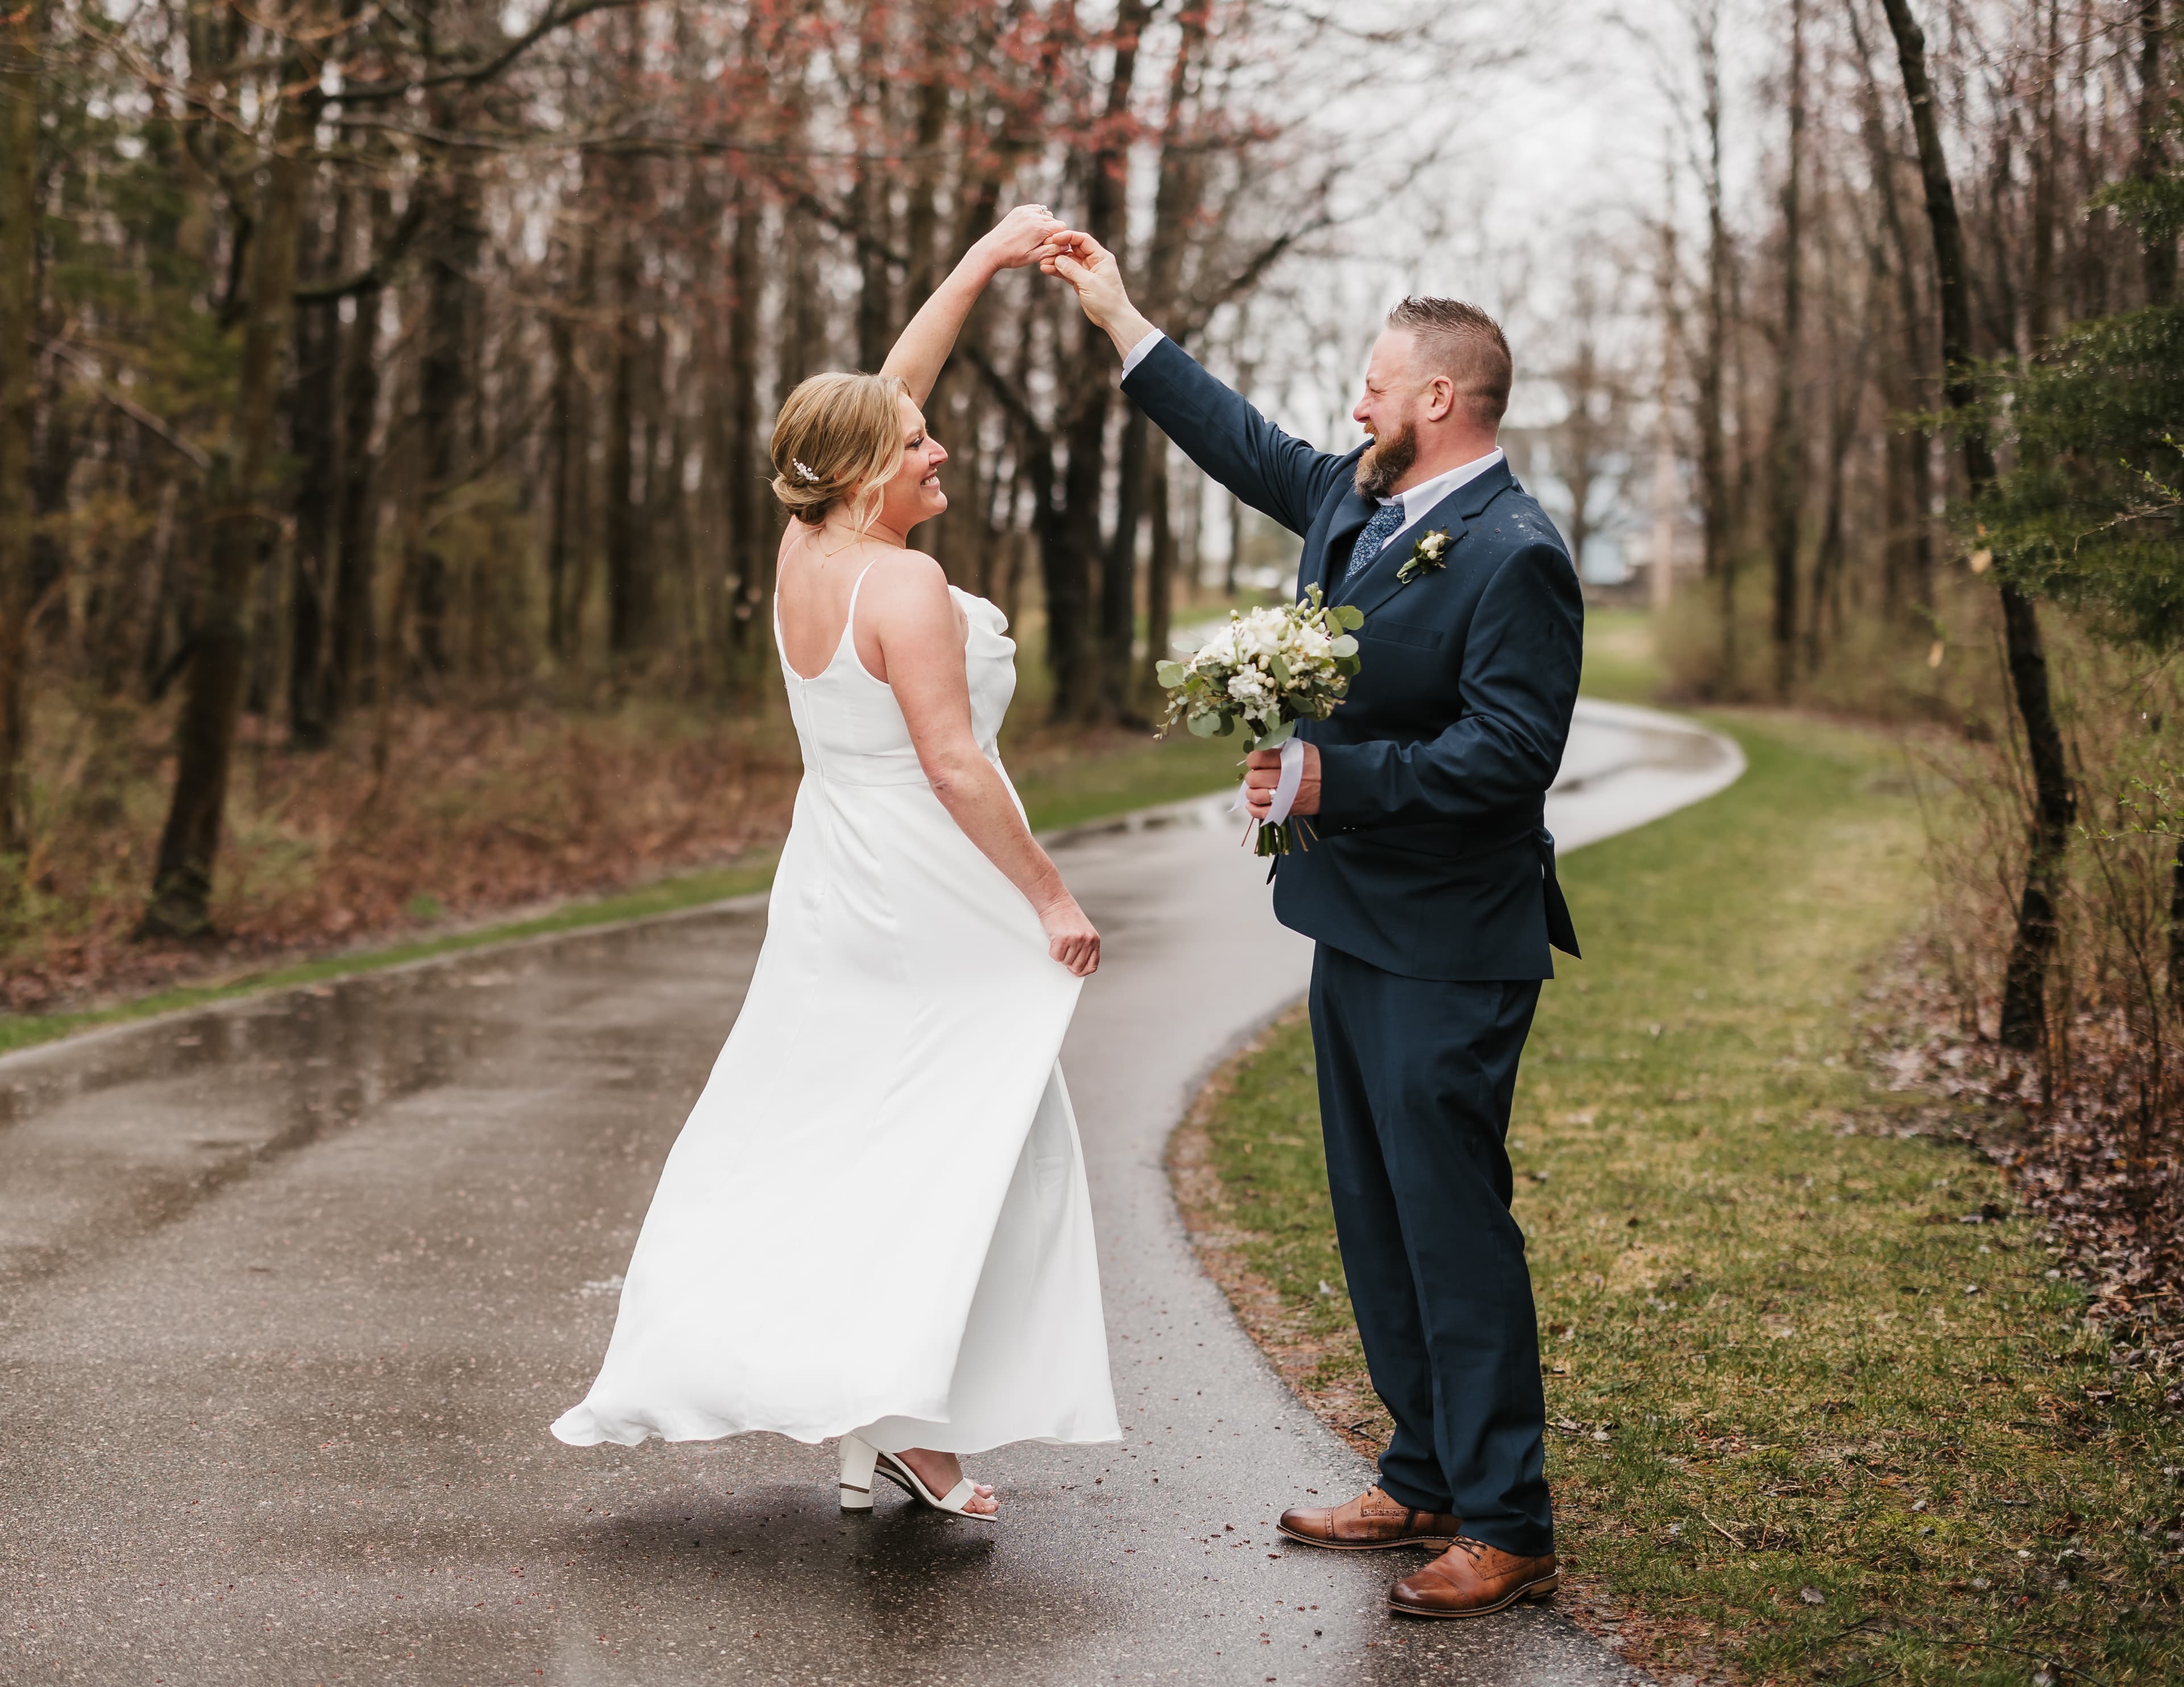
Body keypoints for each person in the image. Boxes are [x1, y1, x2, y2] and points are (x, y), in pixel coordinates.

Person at [553, 207, 1122, 1518]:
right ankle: (905, 1416)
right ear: (869, 470)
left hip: (835, 879)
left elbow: (885, 387)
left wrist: (981, 263)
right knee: (975, 1134)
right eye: (917, 442)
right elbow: (955, 765)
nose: (938, 444)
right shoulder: (906, 587)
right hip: (929, 884)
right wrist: (1050, 891)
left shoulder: (809, 549)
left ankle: (894, 1419)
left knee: (882, 1132)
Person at [1046, 234, 1582, 1616]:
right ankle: (1420, 1475)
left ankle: (1509, 1519)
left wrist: (1337, 776)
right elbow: (1242, 439)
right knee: (1374, 1213)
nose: (1355, 408)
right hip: (1350, 920)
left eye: (1376, 386)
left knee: (1454, 1224)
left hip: (1457, 942)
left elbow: (1510, 754)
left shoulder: (1516, 554)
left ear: (1442, 404)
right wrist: (1120, 319)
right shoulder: (1359, 498)